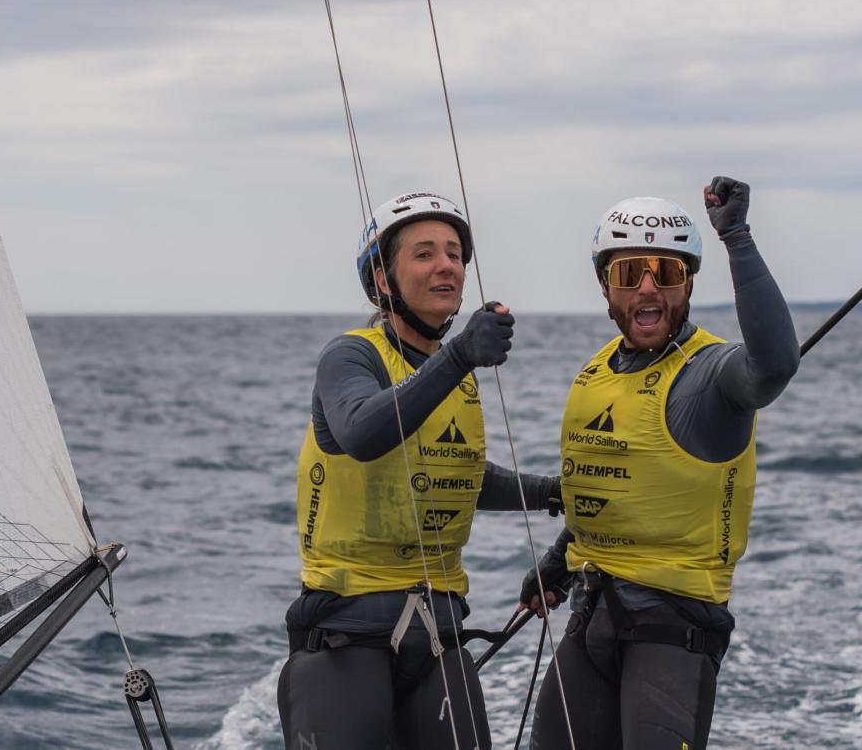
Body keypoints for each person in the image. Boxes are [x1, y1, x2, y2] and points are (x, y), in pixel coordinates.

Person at [521, 178, 800, 749]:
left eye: (666, 273)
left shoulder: (712, 372)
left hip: (673, 635)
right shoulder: (597, 370)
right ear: (605, 285)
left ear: (688, 281)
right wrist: (559, 559)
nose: (648, 288)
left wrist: (738, 237)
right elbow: (618, 486)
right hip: (590, 618)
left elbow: (772, 367)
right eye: (629, 274)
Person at [279, 191, 560, 750]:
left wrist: (552, 492)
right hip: (348, 632)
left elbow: (457, 475)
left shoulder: (453, 373)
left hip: (438, 632)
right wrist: (458, 357)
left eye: (455, 254)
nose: (446, 266)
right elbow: (362, 433)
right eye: (425, 253)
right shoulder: (350, 356)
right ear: (384, 279)